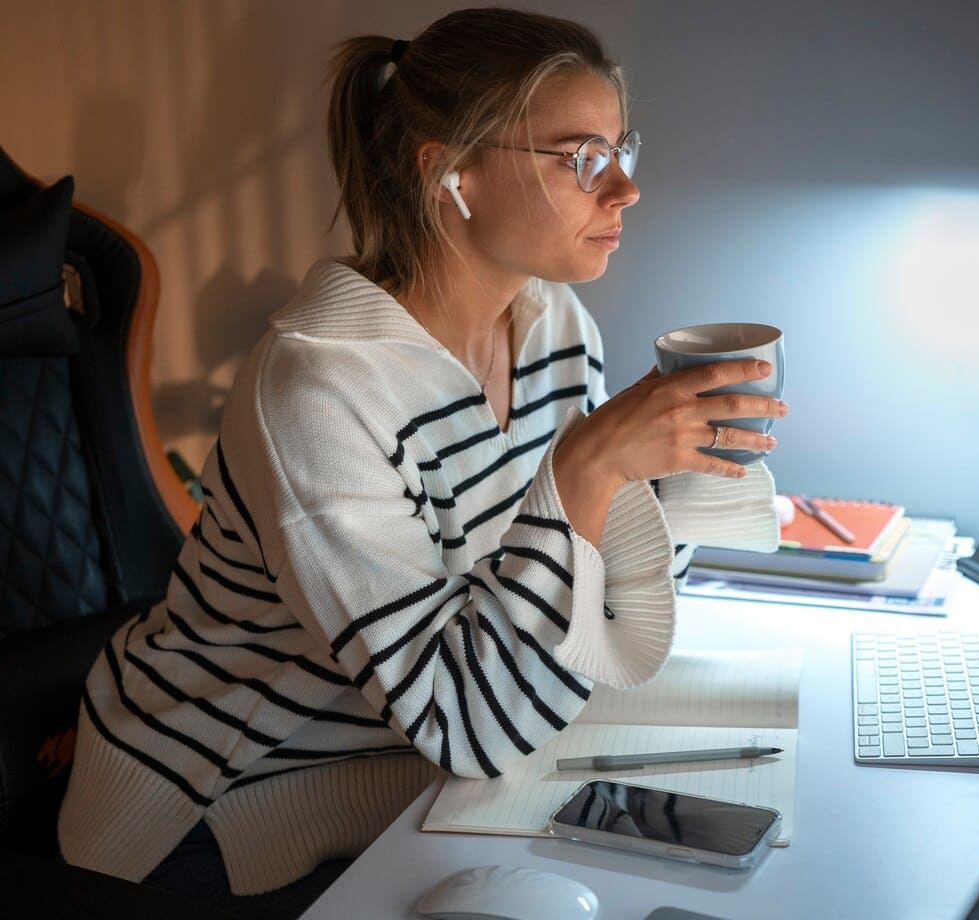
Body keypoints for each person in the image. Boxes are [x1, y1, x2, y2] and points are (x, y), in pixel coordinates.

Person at [57, 8, 784, 917]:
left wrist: (668, 472)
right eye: (581, 157)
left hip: (447, 771)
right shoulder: (319, 390)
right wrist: (590, 471)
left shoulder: (552, 324)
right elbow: (464, 721)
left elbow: (591, 610)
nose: (626, 189)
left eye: (622, 147)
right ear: (449, 173)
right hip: (237, 802)